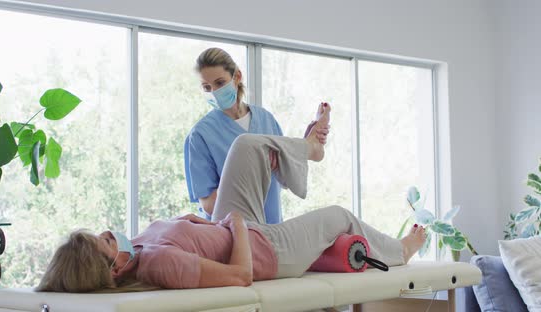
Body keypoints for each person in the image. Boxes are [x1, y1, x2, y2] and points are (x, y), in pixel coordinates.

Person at [37, 107, 426, 292]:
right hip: (264, 249)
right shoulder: (158, 263)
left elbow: (193, 240)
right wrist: (237, 225)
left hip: (230, 228)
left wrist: (197, 223)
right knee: (339, 215)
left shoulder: (138, 251)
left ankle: (309, 148)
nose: (110, 232)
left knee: (245, 146)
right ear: (114, 271)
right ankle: (399, 251)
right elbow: (241, 276)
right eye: (105, 242)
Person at [184, 47, 330, 224]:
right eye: (207, 87)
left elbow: (286, 174)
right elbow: (208, 204)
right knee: (247, 146)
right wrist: (250, 172)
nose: (214, 91)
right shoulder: (201, 135)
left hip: (271, 228)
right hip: (231, 234)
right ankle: (310, 146)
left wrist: (283, 159)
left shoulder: (265, 119)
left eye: (220, 83)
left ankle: (310, 144)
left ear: (237, 77)